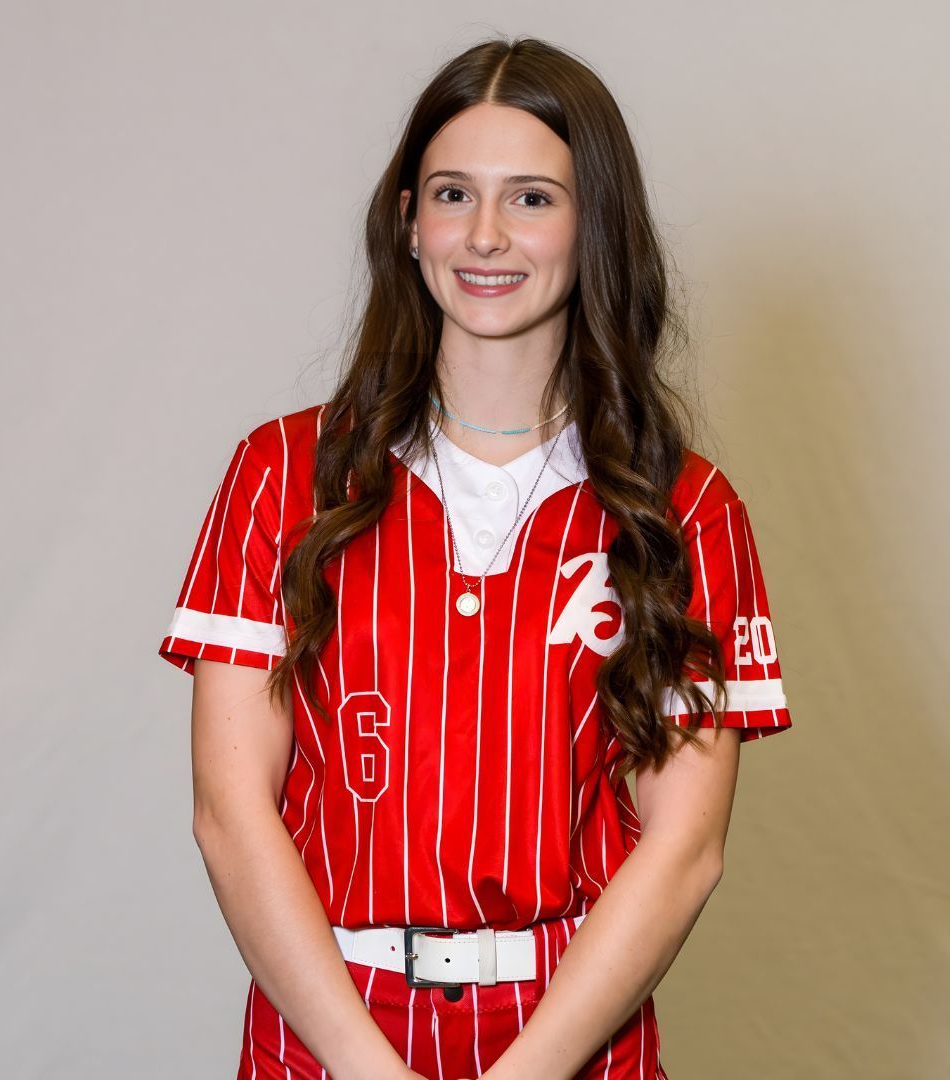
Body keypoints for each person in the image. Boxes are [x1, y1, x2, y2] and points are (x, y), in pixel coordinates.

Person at [158, 35, 793, 1080]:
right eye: (453, 194)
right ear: (408, 223)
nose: (487, 234)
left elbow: (682, 852)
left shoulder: (689, 511)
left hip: (573, 1044)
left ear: (596, 227)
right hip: (326, 1041)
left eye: (534, 199)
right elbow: (232, 813)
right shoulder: (281, 474)